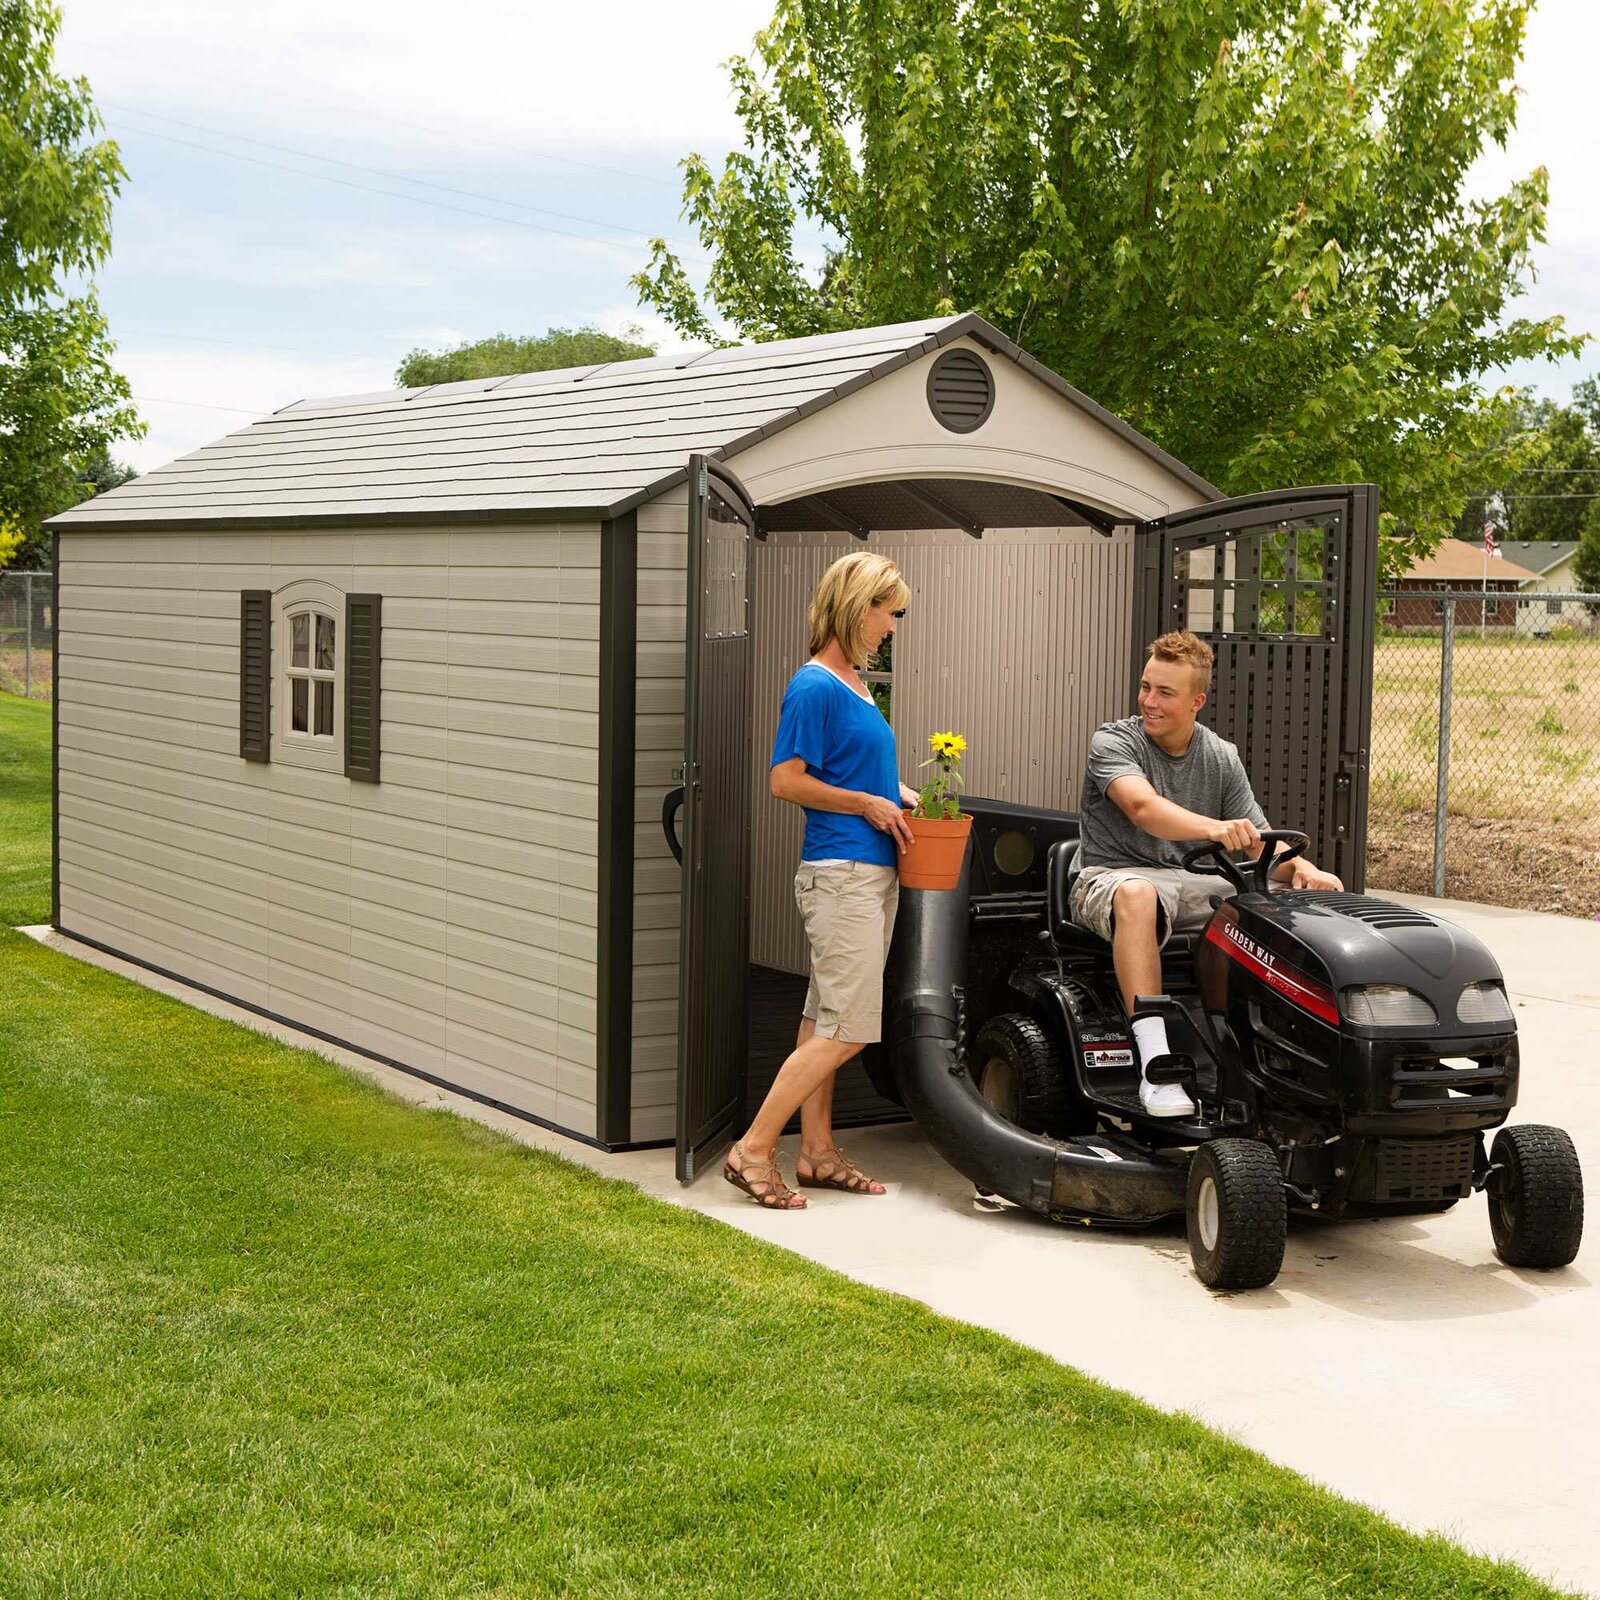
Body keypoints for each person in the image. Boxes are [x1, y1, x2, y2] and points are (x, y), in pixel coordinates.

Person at [1070, 629, 1343, 1117]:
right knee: (1138, 895)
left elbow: (1257, 838)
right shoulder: (1114, 741)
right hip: (1113, 876)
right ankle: (1157, 1067)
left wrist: (1303, 867)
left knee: (1285, 899)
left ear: (1197, 701)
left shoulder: (1220, 755)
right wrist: (1215, 828)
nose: (1148, 701)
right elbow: (1143, 808)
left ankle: (1285, 1050)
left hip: (1193, 884)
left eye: (1165, 693)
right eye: (1145, 687)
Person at [723, 551, 918, 1210]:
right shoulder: (814, 686)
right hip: (842, 876)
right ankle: (753, 1150)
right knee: (849, 1030)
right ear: (858, 606)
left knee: (821, 1022)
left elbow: (848, 768)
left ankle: (818, 1152)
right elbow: (786, 780)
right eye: (888, 613)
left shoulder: (854, 683)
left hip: (866, 872)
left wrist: (894, 792)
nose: (891, 627)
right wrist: (866, 804)